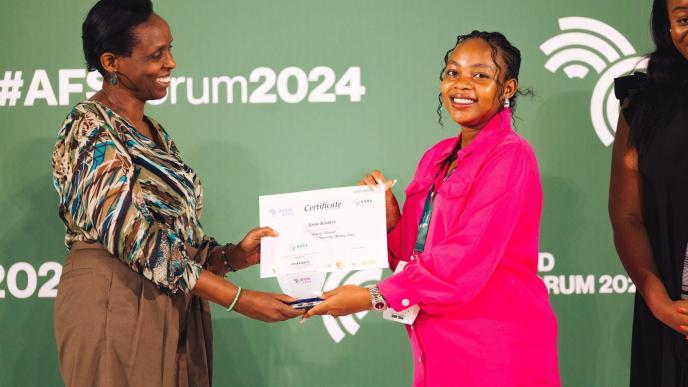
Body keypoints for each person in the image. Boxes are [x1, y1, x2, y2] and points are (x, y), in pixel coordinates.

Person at [51, 1, 302, 386]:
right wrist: (238, 298)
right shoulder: (89, 128)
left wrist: (231, 256)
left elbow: (176, 235)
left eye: (170, 49)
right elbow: (134, 240)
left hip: (171, 299)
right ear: (111, 61)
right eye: (156, 54)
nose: (171, 63)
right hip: (113, 300)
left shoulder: (156, 132)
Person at [304, 31, 560, 386]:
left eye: (481, 75)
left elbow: (464, 256)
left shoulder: (510, 154)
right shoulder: (436, 157)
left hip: (495, 352)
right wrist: (391, 222)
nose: (462, 85)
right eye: (453, 72)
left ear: (508, 89)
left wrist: (371, 297)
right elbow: (414, 258)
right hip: (435, 348)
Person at [609, 0, 688, 385]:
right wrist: (657, 299)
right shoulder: (642, 102)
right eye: (684, 17)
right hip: (671, 313)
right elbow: (627, 215)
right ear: (666, 25)